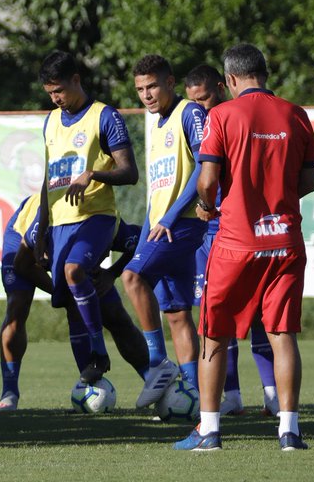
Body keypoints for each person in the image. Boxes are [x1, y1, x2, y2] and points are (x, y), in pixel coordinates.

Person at [175, 44, 314, 452]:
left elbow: (206, 181)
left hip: (237, 241)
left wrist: (207, 207)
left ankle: (209, 431)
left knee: (214, 335)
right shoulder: (297, 115)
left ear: (231, 80)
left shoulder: (221, 115)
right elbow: (306, 183)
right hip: (285, 240)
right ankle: (289, 431)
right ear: (264, 73)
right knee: (282, 333)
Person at [34, 50, 139, 385]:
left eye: (59, 91)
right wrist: (41, 231)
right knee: (73, 306)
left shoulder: (104, 117)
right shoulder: (50, 121)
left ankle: (99, 354)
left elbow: (129, 172)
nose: (55, 99)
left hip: (97, 216)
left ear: (76, 80)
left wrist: (92, 174)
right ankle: (106, 380)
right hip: (60, 224)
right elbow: (47, 180)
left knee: (73, 269)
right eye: (50, 93)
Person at [0, 194, 148, 410]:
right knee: (17, 308)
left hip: (75, 258)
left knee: (115, 315)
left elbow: (144, 241)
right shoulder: (46, 223)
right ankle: (9, 392)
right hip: (22, 239)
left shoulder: (110, 225)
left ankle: (152, 380)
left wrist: (111, 273)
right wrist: (66, 293)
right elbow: (23, 265)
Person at [185, 64, 276, 416]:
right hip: (210, 236)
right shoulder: (201, 126)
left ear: (223, 87)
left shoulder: (233, 118)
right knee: (217, 316)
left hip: (244, 230)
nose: (201, 108)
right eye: (194, 102)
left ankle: (271, 394)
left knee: (260, 316)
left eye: (206, 98)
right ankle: (233, 395)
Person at [122, 55, 207, 408]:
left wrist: (171, 216)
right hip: (158, 223)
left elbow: (204, 164)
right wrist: (155, 219)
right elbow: (161, 183)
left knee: (131, 278)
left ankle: (157, 363)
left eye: (153, 86)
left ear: (170, 82)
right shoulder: (154, 121)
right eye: (140, 89)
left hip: (181, 223)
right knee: (176, 312)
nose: (147, 94)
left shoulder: (190, 113)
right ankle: (191, 393)